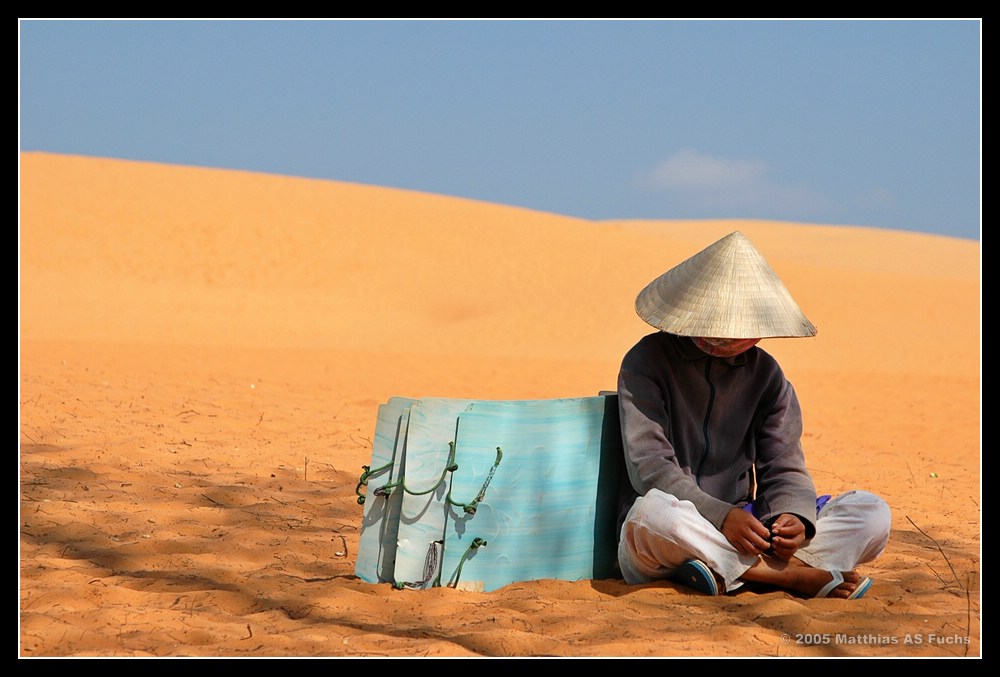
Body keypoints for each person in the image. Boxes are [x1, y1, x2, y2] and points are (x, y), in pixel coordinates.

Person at [615, 231, 891, 599]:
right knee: (653, 519)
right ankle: (788, 577)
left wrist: (791, 518)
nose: (726, 338)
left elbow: (784, 466)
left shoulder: (768, 378)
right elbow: (650, 468)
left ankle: (729, 570)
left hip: (748, 529)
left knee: (871, 514)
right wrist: (720, 517)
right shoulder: (646, 362)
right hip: (681, 528)